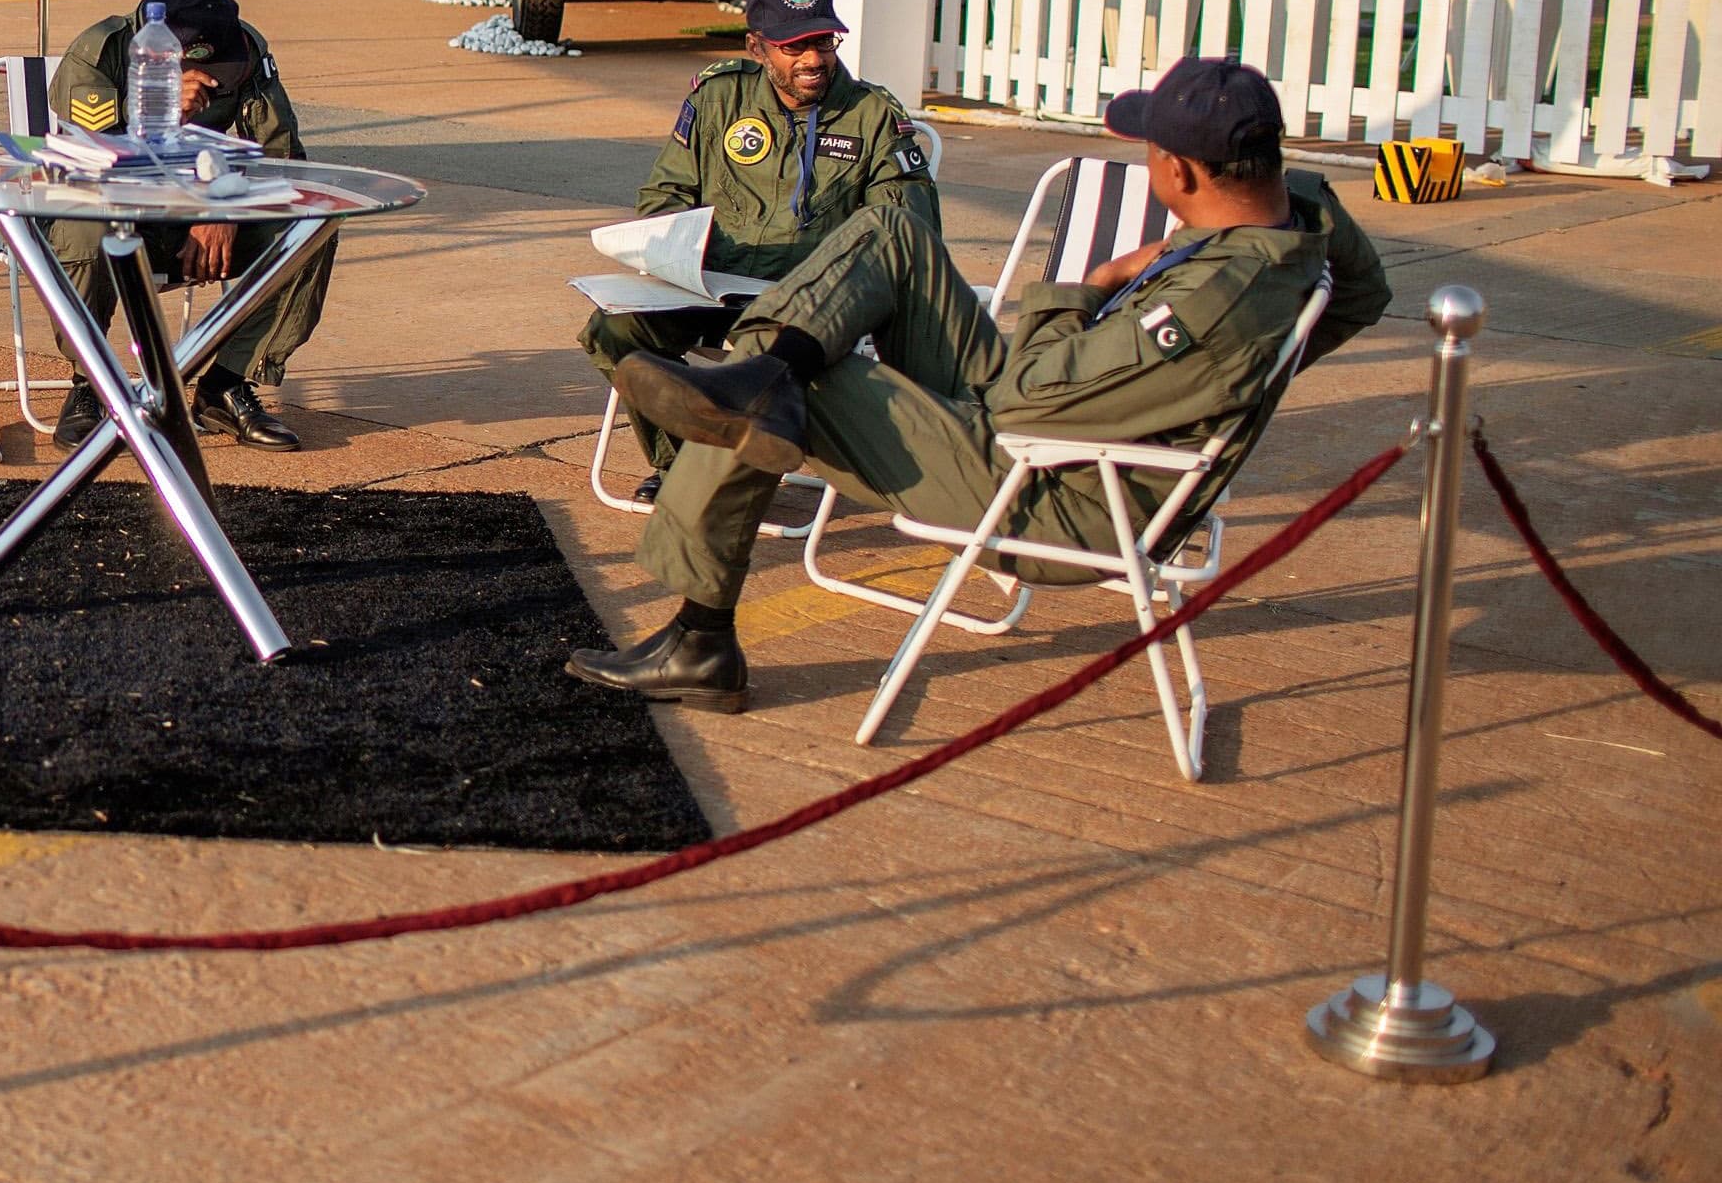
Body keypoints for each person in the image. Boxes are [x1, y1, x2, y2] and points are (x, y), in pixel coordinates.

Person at [564, 56, 1389, 711]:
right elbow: (1363, 290)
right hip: (1057, 427)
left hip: (1056, 494)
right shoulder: (1294, 225)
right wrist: (1279, 252)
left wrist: (1090, 286)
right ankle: (768, 366)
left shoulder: (1211, 301)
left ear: (1180, 172)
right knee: (887, 234)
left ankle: (701, 639)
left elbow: (1029, 393)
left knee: (782, 401)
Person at [586, 0, 936, 504]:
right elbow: (664, 196)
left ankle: (714, 476)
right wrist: (674, 254)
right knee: (614, 332)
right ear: (757, 47)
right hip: (712, 287)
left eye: (823, 41)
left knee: (771, 355)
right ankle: (683, 465)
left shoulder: (872, 116)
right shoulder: (718, 99)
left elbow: (908, 231)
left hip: (809, 306)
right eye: (794, 46)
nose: (814, 59)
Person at [45, 0, 330, 453]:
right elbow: (88, 164)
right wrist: (157, 114)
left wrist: (217, 208)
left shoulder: (241, 47)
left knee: (310, 224)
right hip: (117, 216)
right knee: (84, 224)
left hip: (200, 218)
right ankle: (91, 385)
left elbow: (283, 159)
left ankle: (225, 386)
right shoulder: (103, 50)